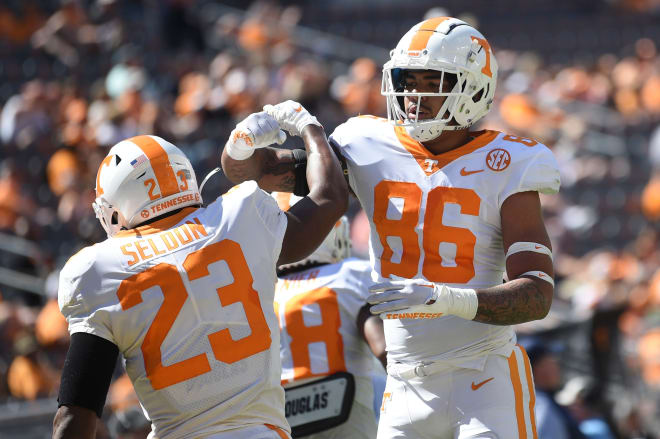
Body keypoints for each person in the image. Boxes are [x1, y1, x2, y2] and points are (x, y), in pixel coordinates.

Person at [222, 16, 561, 438]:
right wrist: (243, 141)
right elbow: (254, 172)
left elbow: (536, 295)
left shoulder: (508, 161)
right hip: (404, 385)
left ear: (474, 87)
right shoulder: (366, 142)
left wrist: (444, 299)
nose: (414, 94)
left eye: (431, 81)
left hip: (484, 374)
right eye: (407, 79)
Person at [52, 106, 348, 439]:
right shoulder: (239, 216)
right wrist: (307, 125)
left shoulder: (100, 270)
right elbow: (330, 197)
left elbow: (76, 414)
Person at [272, 192, 386, 438]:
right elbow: (383, 348)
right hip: (348, 409)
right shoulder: (351, 275)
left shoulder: (265, 293)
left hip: (285, 416)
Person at [521, 338, 586, 439]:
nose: (557, 366)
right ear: (539, 368)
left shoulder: (533, 401)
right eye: (551, 361)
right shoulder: (541, 406)